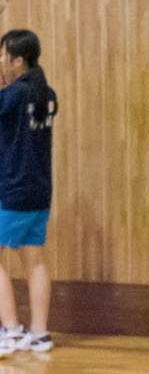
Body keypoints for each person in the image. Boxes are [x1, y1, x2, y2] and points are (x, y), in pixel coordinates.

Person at [0, 30, 58, 356]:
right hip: (40, 193)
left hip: (14, 191)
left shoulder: (14, 96)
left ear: (17, 60)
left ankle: (9, 331)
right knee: (34, 259)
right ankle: (39, 333)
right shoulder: (46, 94)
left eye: (2, 55)